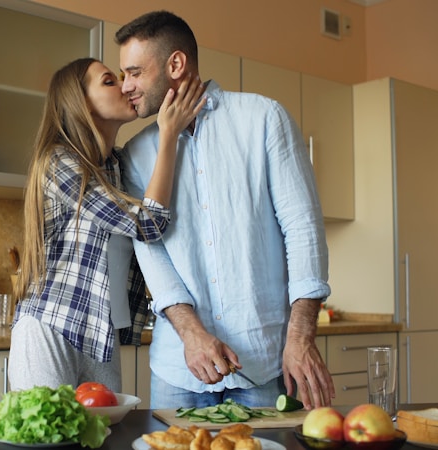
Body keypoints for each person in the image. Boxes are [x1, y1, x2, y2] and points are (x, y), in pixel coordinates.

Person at [115, 10, 335, 409]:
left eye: (134, 73)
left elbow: (302, 228)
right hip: (179, 369)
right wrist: (191, 334)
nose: (126, 87)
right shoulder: (135, 154)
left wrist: (301, 337)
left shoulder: (264, 119)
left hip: (263, 363)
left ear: (175, 64)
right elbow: (151, 251)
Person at [7, 57, 206, 392]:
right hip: (50, 328)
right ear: (80, 101)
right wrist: (168, 133)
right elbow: (150, 223)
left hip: (101, 332)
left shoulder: (116, 166)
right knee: (46, 440)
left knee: (101, 441)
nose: (125, 86)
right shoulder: (59, 162)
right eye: (109, 81)